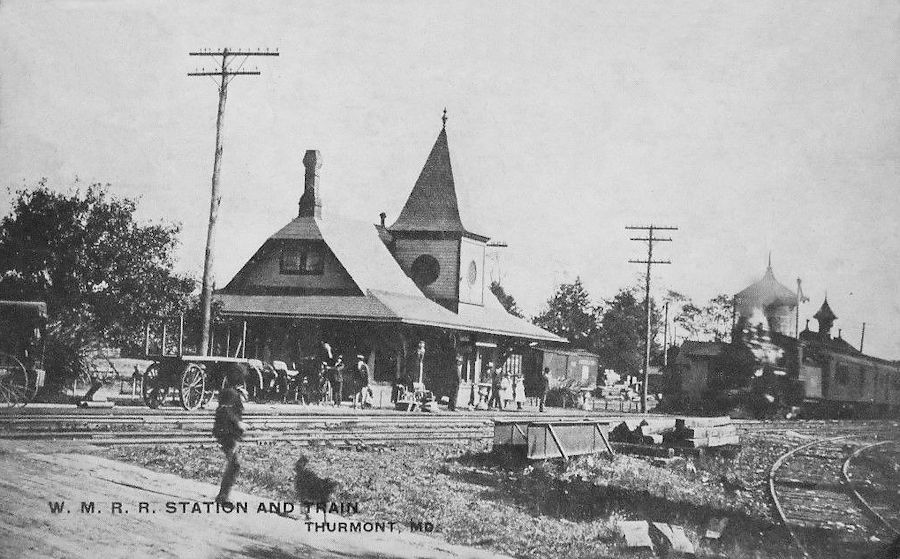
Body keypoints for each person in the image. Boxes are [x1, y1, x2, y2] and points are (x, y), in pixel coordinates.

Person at [213, 368, 248, 504]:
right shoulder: (231, 393)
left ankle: (223, 496)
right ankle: (223, 497)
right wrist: (238, 423)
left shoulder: (230, 392)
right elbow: (225, 411)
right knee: (234, 465)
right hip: (227, 433)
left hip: (227, 433)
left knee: (234, 464)